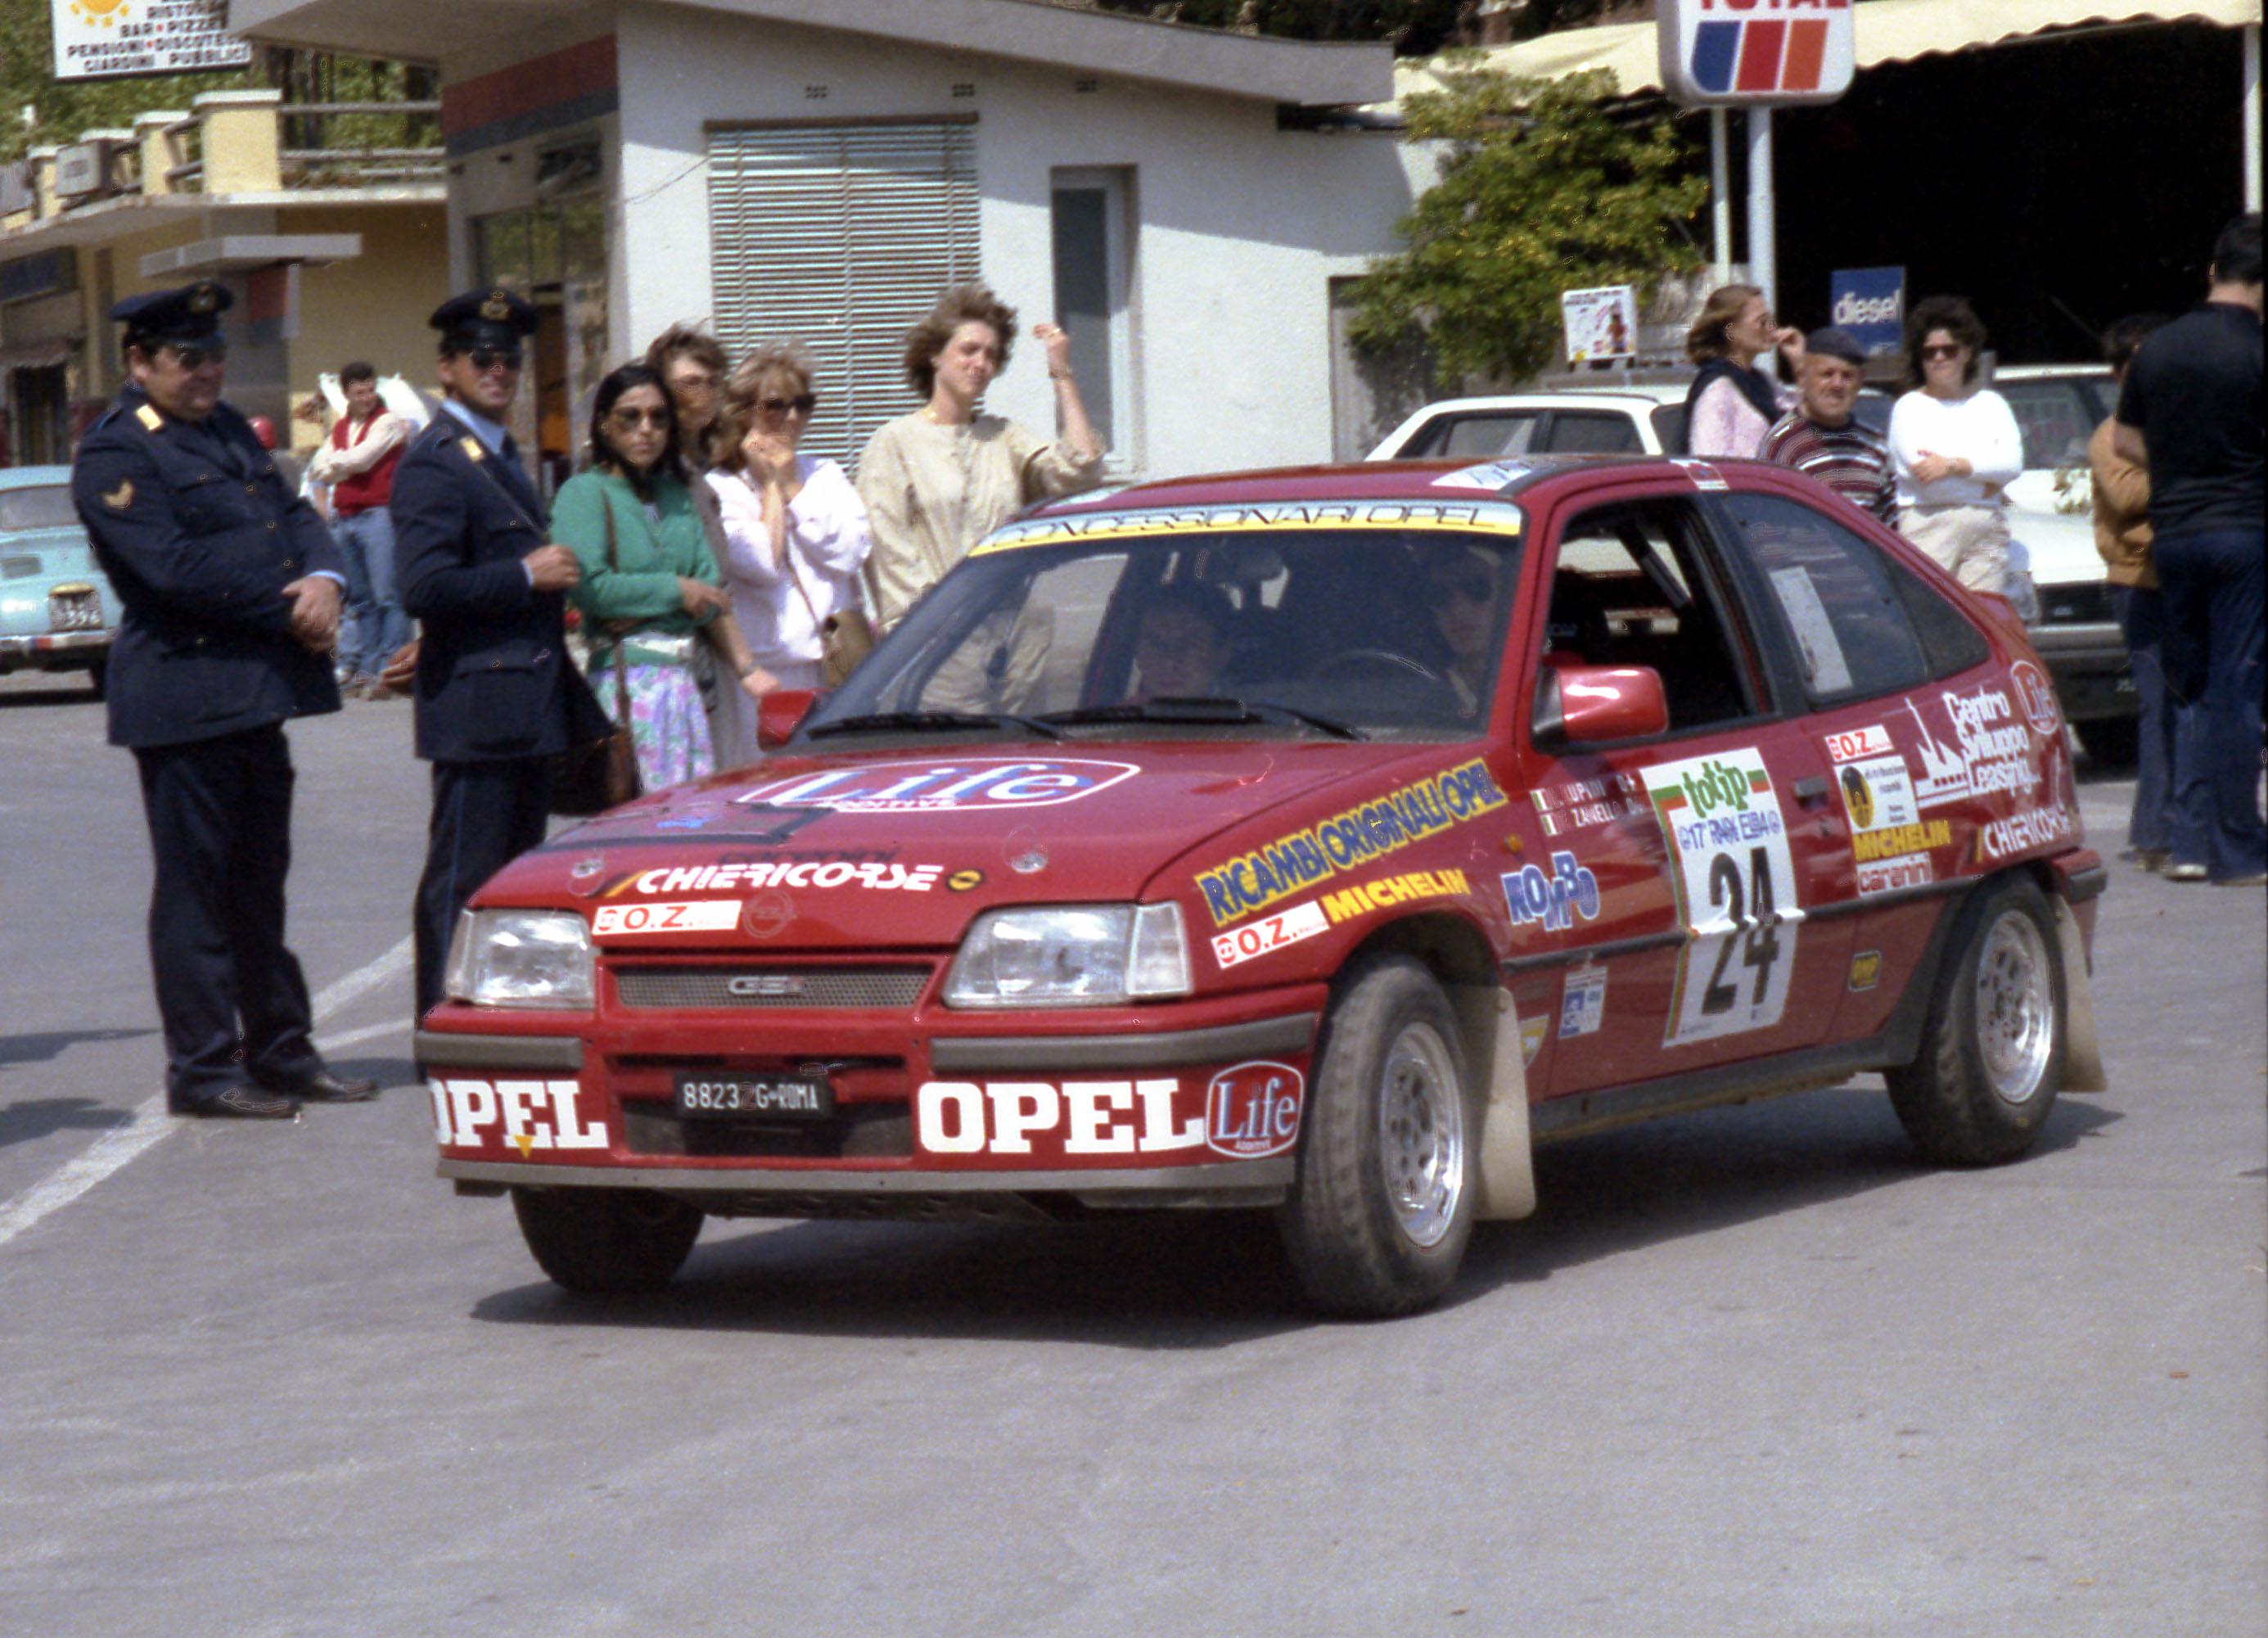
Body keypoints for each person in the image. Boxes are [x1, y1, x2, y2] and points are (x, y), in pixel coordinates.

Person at [70, 281, 375, 1118]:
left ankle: (279, 1049)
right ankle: (203, 1069)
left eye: (215, 356)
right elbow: (171, 569)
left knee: (258, 883)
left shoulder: (232, 430)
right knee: (197, 891)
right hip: (184, 692)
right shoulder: (116, 452)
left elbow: (297, 516)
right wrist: (293, 604)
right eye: (186, 358)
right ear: (139, 363)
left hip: (254, 694)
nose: (206, 372)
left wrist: (325, 575)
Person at [394, 288, 614, 1017]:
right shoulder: (435, 459)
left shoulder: (497, 450)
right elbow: (424, 584)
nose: (499, 372)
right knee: (462, 878)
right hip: (478, 704)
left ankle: (499, 1016)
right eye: (482, 359)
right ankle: (441, 1022)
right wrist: (527, 573)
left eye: (510, 360)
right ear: (446, 368)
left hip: (524, 701)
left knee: (512, 881)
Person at [2112, 214, 2266, 887]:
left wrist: (2176, 471)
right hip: (2242, 531)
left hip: (2173, 534)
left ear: (2214, 269)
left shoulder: (2159, 348)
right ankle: (2237, 848)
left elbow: (2122, 440)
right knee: (2238, 687)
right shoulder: (2256, 349)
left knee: (2189, 684)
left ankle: (2189, 841)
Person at [553, 363, 769, 791]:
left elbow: (709, 587)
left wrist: (648, 603)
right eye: (630, 417)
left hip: (685, 685)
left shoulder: (676, 495)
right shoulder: (584, 494)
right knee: (639, 819)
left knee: (690, 821)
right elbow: (592, 588)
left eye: (658, 417)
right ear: (604, 424)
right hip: (628, 686)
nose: (646, 429)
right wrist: (675, 590)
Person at [857, 283, 1105, 632]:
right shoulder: (895, 442)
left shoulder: (1004, 436)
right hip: (934, 643)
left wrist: (1061, 372)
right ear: (935, 355)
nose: (981, 364)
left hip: (1015, 644)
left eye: (991, 355)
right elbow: (889, 554)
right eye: (969, 350)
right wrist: (925, 633)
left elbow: (1081, 469)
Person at [706, 345, 872, 760]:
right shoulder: (720, 487)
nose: (793, 418)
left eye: (803, 404)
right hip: (765, 674)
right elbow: (761, 563)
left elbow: (851, 552)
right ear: (744, 412)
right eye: (776, 406)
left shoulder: (825, 474)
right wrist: (771, 488)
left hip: (832, 666)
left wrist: (793, 485)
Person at [2089, 313, 2175, 869]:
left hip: (2182, 577)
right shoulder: (2109, 433)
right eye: (2136, 362)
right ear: (2119, 374)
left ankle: (2189, 822)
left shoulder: (2177, 422)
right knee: (2157, 704)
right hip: (2137, 583)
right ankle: (2151, 833)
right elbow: (2124, 498)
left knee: (2192, 704)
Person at [1887, 296, 2022, 597]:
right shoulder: (1909, 408)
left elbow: (2012, 464)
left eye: (1948, 350)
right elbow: (1927, 481)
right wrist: (1988, 486)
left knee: (1986, 623)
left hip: (1986, 533)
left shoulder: (1991, 404)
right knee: (1934, 620)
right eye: (1929, 352)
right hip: (1930, 528)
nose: (1938, 358)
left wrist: (1952, 466)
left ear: (1967, 353)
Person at [309, 362, 411, 699]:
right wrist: (337, 464)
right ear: (347, 394)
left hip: (377, 514)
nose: (366, 397)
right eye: (359, 392)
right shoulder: (340, 428)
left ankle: (389, 669)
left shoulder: (389, 422)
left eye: (370, 390)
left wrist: (336, 464)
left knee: (387, 596)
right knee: (361, 600)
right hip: (347, 515)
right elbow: (317, 470)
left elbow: (362, 460)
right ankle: (366, 669)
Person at [1759, 326, 1896, 524]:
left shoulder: (1875, 446)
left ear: (1859, 382)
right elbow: (1766, 522)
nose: (1837, 385)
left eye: (1847, 376)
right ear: (1803, 377)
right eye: (1826, 374)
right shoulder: (1783, 443)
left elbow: (1890, 528)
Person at [1682, 284, 1803, 459]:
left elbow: (1803, 425)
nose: (1772, 327)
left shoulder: (1763, 380)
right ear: (1731, 332)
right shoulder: (1718, 389)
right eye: (1761, 322)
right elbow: (1709, 462)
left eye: (1771, 320)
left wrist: (1799, 363)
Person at [1130, 580, 1235, 702]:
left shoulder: (1250, 715)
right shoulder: (1118, 717)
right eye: (1156, 645)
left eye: (1189, 645)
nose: (1169, 662)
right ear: (1138, 655)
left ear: (1222, 655)